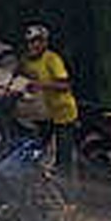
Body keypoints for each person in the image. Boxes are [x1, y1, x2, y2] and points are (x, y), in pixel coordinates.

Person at [18, 24, 79, 171]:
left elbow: (65, 85)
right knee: (39, 153)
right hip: (43, 114)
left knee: (63, 158)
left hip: (63, 113)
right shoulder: (26, 61)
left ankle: (67, 187)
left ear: (45, 42)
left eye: (37, 41)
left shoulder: (52, 59)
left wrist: (40, 84)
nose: (33, 45)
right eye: (30, 42)